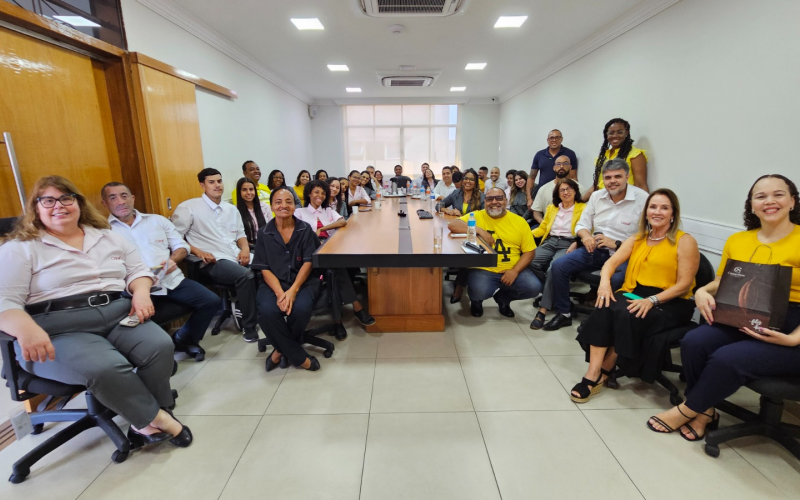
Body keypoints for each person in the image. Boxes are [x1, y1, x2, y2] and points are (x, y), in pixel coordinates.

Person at [0, 176, 191, 449]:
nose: (59, 206)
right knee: (106, 366)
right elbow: (4, 300)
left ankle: (146, 416)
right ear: (36, 207)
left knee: (160, 346)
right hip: (58, 326)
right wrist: (25, 329)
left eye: (67, 198)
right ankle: (159, 418)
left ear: (78, 202)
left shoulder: (107, 237)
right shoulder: (20, 248)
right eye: (48, 200)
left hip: (116, 313)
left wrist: (140, 292)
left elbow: (138, 272)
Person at [648, 174, 800, 440]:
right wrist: (702, 292)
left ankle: (686, 409)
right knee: (694, 341)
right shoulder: (738, 241)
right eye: (760, 196)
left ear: (792, 202)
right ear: (751, 205)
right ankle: (705, 410)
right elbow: (721, 281)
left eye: (778, 194)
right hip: (744, 314)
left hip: (792, 327)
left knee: (727, 358)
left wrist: (792, 339)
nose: (769, 201)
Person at [569, 189, 699, 403]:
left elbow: (684, 284)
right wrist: (604, 285)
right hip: (636, 291)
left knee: (626, 313)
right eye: (653, 207)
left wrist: (652, 300)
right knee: (604, 306)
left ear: (673, 214)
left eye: (664, 208)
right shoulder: (638, 238)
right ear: (646, 211)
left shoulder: (684, 241)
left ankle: (605, 370)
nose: (657, 212)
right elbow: (611, 263)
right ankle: (593, 374)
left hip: (671, 300)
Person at [102, 182, 220, 361]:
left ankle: (184, 338)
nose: (120, 201)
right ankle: (153, 353)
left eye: (124, 196)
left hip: (170, 279)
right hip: (134, 290)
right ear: (105, 204)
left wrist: (173, 260)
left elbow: (181, 246)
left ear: (132, 198)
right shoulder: (103, 232)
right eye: (113, 197)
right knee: (132, 320)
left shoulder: (157, 220)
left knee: (211, 301)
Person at [541, 159, 648, 331]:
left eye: (617, 176)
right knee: (559, 265)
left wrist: (617, 243)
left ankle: (600, 320)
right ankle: (564, 313)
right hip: (595, 249)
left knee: (616, 280)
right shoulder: (597, 196)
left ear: (627, 177)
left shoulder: (642, 199)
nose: (612, 181)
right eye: (608, 177)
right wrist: (585, 236)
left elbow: (648, 236)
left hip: (625, 253)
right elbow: (581, 224)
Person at [172, 168, 260, 343]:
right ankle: (249, 326)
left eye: (219, 181)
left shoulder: (231, 209)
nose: (217, 185)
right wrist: (199, 252)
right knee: (246, 275)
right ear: (202, 185)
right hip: (212, 261)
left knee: (269, 265)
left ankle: (260, 311)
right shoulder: (188, 207)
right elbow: (175, 238)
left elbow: (240, 236)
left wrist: (244, 249)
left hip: (235, 254)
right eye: (211, 182)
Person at [252, 187, 322, 372]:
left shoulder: (304, 229)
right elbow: (264, 268)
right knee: (267, 310)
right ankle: (298, 356)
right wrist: (280, 293)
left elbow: (308, 262)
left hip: (302, 281)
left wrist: (293, 291)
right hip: (273, 282)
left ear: (294, 205)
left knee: (301, 308)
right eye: (278, 202)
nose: (284, 205)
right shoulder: (264, 233)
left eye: (289, 201)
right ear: (272, 206)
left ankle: (278, 352)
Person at [296, 180, 376, 335]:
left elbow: (342, 222)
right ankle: (356, 307)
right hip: (309, 254)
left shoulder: (327, 211)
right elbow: (298, 234)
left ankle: (338, 321)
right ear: (308, 194)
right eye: (316, 192)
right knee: (335, 268)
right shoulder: (300, 213)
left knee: (333, 271)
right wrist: (315, 237)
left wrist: (322, 229)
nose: (320, 195)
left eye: (323, 193)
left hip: (329, 249)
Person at [447, 188, 542, 318]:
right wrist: (479, 230)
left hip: (512, 268)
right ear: (484, 201)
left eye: (499, 198)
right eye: (489, 199)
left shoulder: (519, 222)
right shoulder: (477, 216)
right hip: (484, 268)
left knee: (533, 287)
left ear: (506, 201)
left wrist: (514, 271)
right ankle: (476, 301)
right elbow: (453, 224)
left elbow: (530, 252)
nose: (494, 202)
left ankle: (504, 298)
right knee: (479, 290)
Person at [529, 179, 586, 329]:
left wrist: (578, 242)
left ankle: (542, 310)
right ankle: (552, 291)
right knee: (529, 260)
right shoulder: (552, 208)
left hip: (569, 244)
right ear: (558, 194)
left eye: (569, 189)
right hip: (550, 242)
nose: (566, 192)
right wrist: (524, 235)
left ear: (575, 191)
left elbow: (588, 230)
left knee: (553, 268)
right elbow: (542, 228)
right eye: (562, 190)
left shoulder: (584, 208)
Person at [438, 169, 486, 303]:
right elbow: (439, 205)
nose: (468, 181)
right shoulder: (456, 193)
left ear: (475, 182)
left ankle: (459, 286)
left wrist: (461, 216)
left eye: (471, 179)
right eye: (466, 178)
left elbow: (485, 218)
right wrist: (446, 209)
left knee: (468, 257)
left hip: (475, 233)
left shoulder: (481, 196)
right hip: (458, 232)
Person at [584, 118, 649, 198]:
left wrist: (645, 207)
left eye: (620, 132)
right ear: (606, 135)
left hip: (625, 202)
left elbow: (641, 185)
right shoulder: (603, 157)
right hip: (603, 201)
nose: (615, 135)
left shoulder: (635, 155)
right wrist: (577, 201)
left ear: (626, 133)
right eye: (611, 133)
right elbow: (596, 185)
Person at [527, 129, 579, 206]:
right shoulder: (539, 155)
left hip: (563, 194)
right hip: (543, 194)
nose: (554, 140)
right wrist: (529, 198)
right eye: (551, 138)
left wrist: (574, 195)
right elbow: (531, 177)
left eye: (557, 137)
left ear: (561, 139)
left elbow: (573, 177)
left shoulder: (570, 154)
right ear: (547, 140)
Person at [531, 155, 585, 224]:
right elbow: (536, 211)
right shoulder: (543, 189)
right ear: (554, 168)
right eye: (558, 164)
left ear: (570, 167)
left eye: (565, 163)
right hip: (547, 228)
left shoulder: (580, 188)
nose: (561, 166)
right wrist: (543, 223)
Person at [235, 177, 273, 246]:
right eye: (244, 190)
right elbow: (236, 235)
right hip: (247, 245)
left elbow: (272, 228)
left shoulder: (264, 207)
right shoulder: (235, 210)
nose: (249, 193)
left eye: (251, 189)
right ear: (239, 192)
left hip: (266, 242)